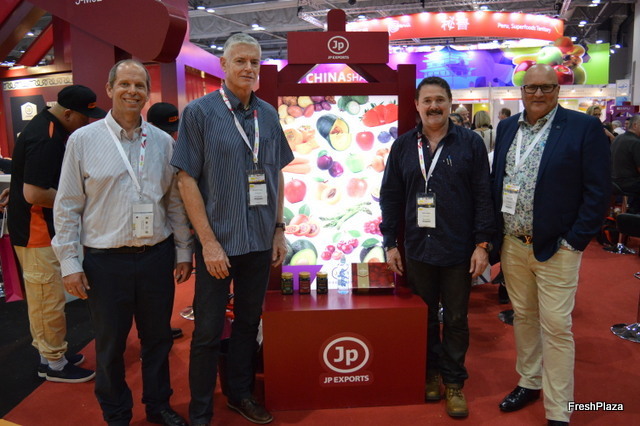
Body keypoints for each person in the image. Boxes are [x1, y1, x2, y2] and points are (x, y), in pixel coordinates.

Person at [52, 59, 193, 426]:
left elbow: (173, 203)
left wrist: (183, 250)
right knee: (111, 344)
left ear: (147, 93)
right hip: (105, 261)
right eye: (125, 84)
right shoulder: (83, 141)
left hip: (156, 257)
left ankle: (158, 406)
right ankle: (116, 414)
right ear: (110, 88)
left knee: (158, 340)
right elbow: (67, 206)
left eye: (139, 85)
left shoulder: (162, 142)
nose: (132, 91)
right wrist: (69, 263)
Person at [171, 33, 294, 426]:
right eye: (240, 61)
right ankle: (201, 410)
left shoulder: (269, 115)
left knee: (247, 324)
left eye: (254, 62)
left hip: (259, 240)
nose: (248, 68)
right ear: (223, 65)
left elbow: (276, 174)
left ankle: (241, 394)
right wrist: (207, 243)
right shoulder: (199, 113)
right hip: (218, 245)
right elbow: (186, 180)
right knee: (208, 331)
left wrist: (278, 229)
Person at [490, 64, 610, 426]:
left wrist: (575, 241)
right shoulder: (507, 127)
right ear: (521, 92)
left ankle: (559, 410)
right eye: (532, 88)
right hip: (513, 244)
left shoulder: (583, 127)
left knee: (557, 328)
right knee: (524, 318)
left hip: (558, 247)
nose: (538, 94)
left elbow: (598, 191)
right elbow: (498, 180)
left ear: (558, 90)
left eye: (546, 87)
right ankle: (529, 381)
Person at [380, 76, 494, 418]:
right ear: (416, 105)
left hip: (459, 249)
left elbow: (483, 196)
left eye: (439, 100)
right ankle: (430, 372)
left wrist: (483, 244)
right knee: (426, 317)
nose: (433, 106)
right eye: (427, 100)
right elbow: (390, 197)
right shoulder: (403, 146)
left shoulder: (470, 143)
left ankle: (454, 382)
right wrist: (390, 242)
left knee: (456, 318)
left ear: (450, 103)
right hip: (418, 248)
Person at [7, 85, 105, 383]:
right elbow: (35, 192)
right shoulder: (46, 136)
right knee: (47, 299)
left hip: (39, 229)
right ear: (68, 113)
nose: (87, 122)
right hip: (35, 231)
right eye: (84, 116)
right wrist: (79, 203)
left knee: (46, 297)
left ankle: (49, 355)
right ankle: (54, 363)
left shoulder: (48, 127)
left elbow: (26, 179)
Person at [147, 101, 188, 340]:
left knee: (161, 290)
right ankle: (152, 333)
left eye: (173, 129)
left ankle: (159, 329)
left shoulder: (171, 146)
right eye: (165, 129)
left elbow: (175, 199)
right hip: (144, 233)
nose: (170, 134)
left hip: (166, 231)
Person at [611, 114, 640, 212]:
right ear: (635, 125)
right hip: (628, 183)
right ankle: (633, 214)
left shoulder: (618, 138)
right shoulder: (636, 142)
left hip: (613, 181)